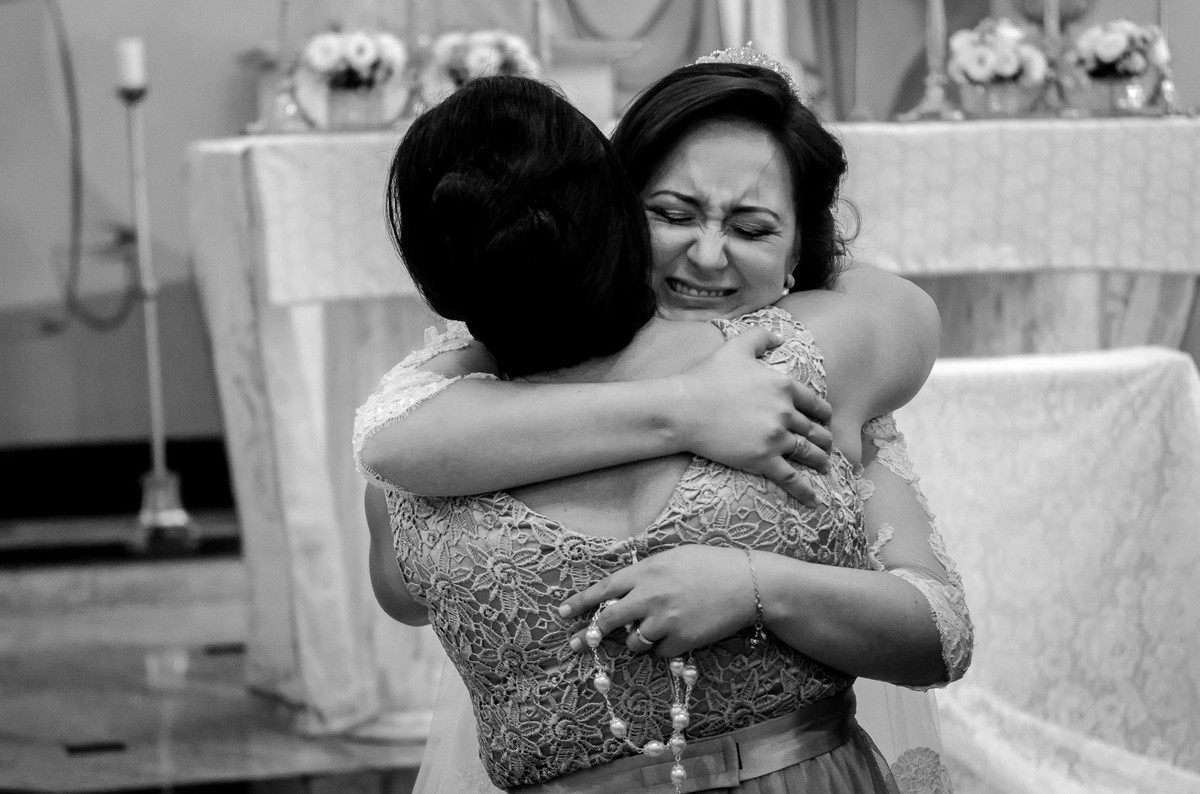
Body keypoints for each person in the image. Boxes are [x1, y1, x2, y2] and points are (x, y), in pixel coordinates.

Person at [359, 66, 969, 793]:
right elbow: (393, 443)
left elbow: (941, 633)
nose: (707, 255)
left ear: (799, 251)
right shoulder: (442, 428)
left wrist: (755, 586)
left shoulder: (804, 366)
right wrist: (690, 406)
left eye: (751, 228)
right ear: (612, 210)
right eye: (673, 214)